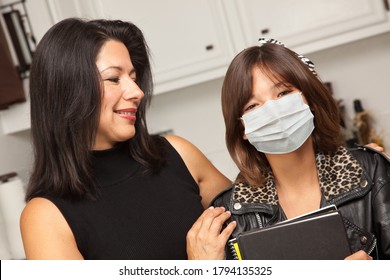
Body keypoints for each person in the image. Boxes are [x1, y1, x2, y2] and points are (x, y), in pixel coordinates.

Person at [20, 17, 235, 260]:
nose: (137, 92)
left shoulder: (178, 154)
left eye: (133, 77)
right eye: (114, 78)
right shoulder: (45, 217)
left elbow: (260, 228)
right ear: (68, 90)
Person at [186, 38, 390, 260]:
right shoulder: (228, 215)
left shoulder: (371, 171)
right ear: (243, 128)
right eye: (252, 105)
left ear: (308, 99)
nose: (273, 110)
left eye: (283, 93)